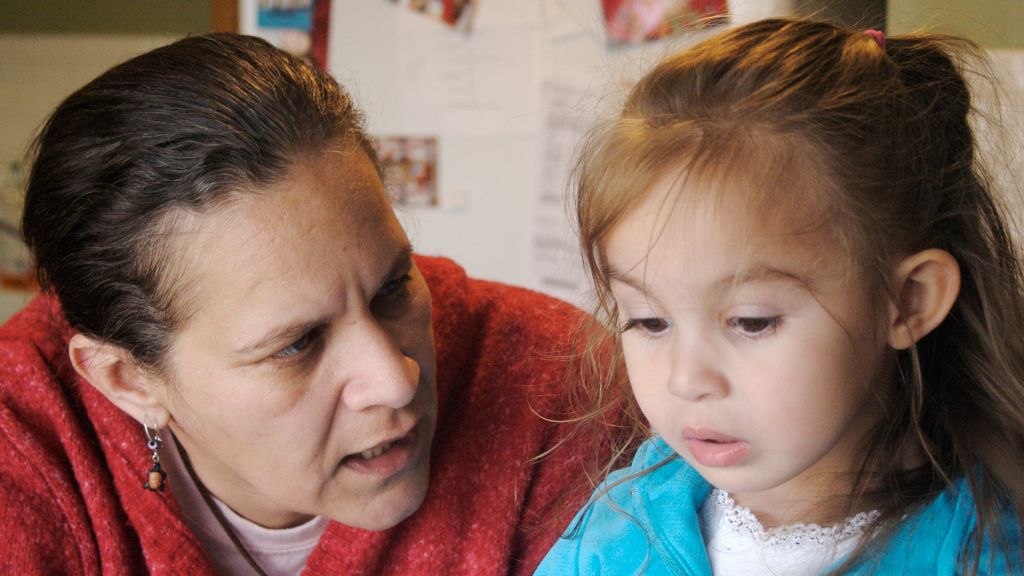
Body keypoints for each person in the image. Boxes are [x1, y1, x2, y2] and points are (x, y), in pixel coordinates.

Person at [0, 33, 599, 575]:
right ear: (129, 380)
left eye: (393, 288)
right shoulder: (22, 439)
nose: (396, 379)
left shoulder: (561, 384)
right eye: (298, 344)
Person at [536, 17, 1024, 575]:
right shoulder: (617, 528)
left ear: (909, 300)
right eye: (649, 322)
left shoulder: (984, 554)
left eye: (750, 322)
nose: (686, 379)